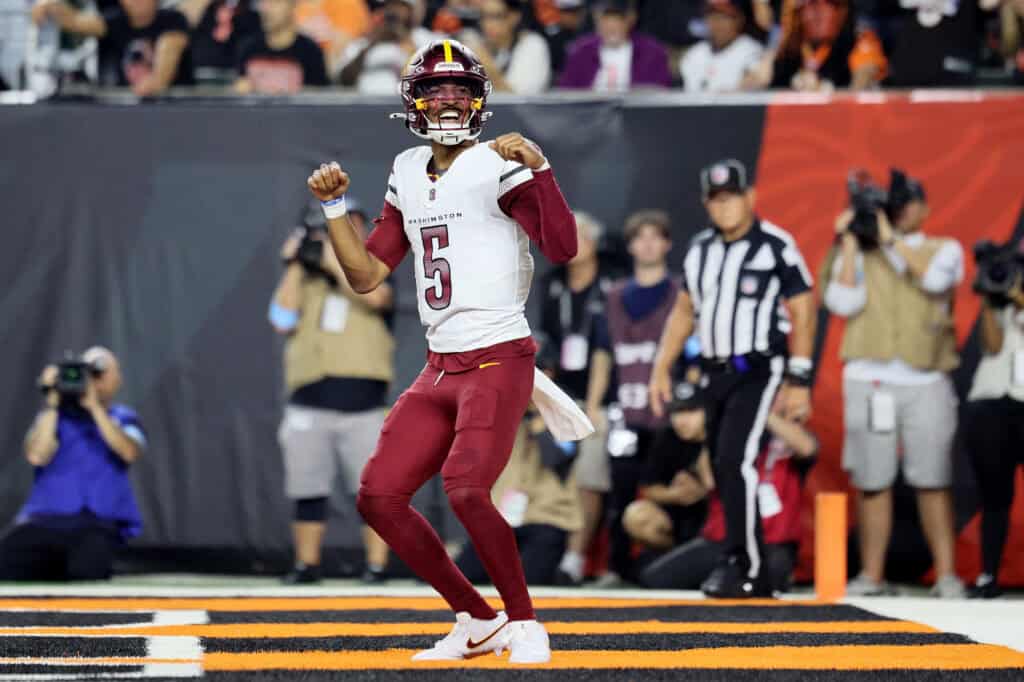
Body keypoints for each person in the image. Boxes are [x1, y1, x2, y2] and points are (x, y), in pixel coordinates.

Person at [305, 39, 585, 663]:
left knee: (465, 488)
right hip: (440, 364)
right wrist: (332, 209)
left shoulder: (498, 163)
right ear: (415, 103)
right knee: (378, 495)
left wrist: (541, 170)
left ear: (480, 102)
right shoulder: (406, 168)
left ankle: (526, 621)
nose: (449, 103)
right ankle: (476, 618)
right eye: (437, 93)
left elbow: (563, 249)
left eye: (461, 93)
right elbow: (367, 274)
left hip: (498, 354)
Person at [648, 158, 816, 598]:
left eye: (732, 198)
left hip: (759, 366)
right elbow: (685, 309)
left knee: (734, 460)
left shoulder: (776, 245)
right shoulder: (701, 248)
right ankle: (737, 554)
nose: (725, 207)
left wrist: (799, 376)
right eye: (717, 200)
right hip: (715, 370)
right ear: (707, 204)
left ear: (750, 197)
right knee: (724, 465)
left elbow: (802, 308)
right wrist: (661, 366)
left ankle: (749, 563)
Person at [822, 169, 965, 598]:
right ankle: (871, 575)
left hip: (926, 378)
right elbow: (841, 302)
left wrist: (888, 240)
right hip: (870, 377)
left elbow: (935, 280)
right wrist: (849, 243)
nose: (902, 210)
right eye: (895, 204)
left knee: (934, 478)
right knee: (873, 479)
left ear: (925, 208)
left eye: (909, 203)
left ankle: (947, 576)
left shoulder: (945, 249)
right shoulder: (861, 252)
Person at [268, 201, 393, 585]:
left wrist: (332, 259)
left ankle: (377, 566)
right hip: (309, 400)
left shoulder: (378, 264)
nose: (334, 234)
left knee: (374, 491)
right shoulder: (305, 277)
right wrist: (293, 265)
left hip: (365, 403)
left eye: (345, 224)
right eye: (326, 228)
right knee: (308, 488)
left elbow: (376, 296)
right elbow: (281, 320)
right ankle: (307, 565)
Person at [636, 385, 818, 592]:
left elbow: (808, 447)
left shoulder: (783, 441)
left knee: (769, 579)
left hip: (772, 542)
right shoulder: (727, 435)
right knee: (656, 579)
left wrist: (758, 410)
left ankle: (725, 578)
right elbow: (709, 479)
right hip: (722, 541)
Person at [586, 209, 677, 585]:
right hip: (625, 412)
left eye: (656, 236)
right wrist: (593, 405)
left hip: (668, 413)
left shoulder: (680, 292)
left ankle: (672, 562)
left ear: (667, 244)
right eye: (641, 237)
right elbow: (603, 354)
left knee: (671, 487)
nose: (648, 244)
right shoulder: (616, 295)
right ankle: (617, 566)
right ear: (631, 246)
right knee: (621, 488)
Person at [0, 347, 145, 581]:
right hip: (44, 520)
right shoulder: (52, 418)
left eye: (99, 373)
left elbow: (128, 451)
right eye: (86, 373)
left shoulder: (124, 418)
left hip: (96, 524)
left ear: (117, 380)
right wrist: (52, 402)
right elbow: (36, 455)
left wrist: (95, 408)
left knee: (87, 571)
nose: (91, 381)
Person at [538, 211, 621, 586]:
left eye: (580, 236)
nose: (573, 244)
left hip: (604, 397)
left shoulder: (612, 283)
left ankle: (575, 555)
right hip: (561, 393)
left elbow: (609, 347)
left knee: (590, 465)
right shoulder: (552, 283)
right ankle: (536, 549)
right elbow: (544, 339)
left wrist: (594, 403)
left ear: (594, 242)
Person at [455, 411, 584, 586]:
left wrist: (540, 428)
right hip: (504, 515)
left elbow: (556, 458)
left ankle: (561, 572)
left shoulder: (565, 414)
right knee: (463, 573)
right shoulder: (503, 413)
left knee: (530, 580)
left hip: (547, 516)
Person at [963, 243, 1024, 598]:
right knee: (995, 497)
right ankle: (988, 575)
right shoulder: (999, 300)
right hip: (992, 403)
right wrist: (990, 295)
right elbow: (991, 346)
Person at [31, 0, 193, 95]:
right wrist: (49, 5)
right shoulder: (116, 21)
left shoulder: (174, 20)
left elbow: (170, 48)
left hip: (173, 107)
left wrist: (157, 80)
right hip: (126, 109)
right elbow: (76, 21)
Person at [770, 0, 887, 91]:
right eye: (811, 4)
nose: (819, 14)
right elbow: (761, 79)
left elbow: (864, 76)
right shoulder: (791, 44)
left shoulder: (858, 38)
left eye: (830, 4)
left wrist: (825, 92)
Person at [556, 0, 671, 91]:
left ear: (631, 19)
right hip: (588, 115)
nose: (611, 26)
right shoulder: (580, 52)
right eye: (605, 19)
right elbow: (566, 94)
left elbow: (659, 94)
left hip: (636, 116)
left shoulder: (653, 53)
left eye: (618, 19)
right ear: (596, 19)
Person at [337, 0, 435, 92]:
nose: (394, 11)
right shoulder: (365, 42)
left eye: (399, 6)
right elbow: (344, 79)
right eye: (390, 5)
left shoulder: (425, 39)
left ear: (411, 10)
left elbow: (434, 79)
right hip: (366, 104)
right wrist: (373, 44)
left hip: (408, 105)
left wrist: (408, 44)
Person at [235, 0, 328, 94]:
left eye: (276, 2)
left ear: (292, 6)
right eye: (264, 2)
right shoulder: (248, 47)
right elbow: (240, 85)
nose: (267, 9)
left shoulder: (310, 51)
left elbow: (318, 97)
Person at [460, 0, 551, 94]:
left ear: (514, 17)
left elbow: (519, 99)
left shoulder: (532, 45)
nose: (487, 24)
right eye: (483, 17)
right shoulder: (483, 45)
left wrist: (486, 65)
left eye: (495, 17)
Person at [680, 0, 765, 93]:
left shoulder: (751, 50)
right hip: (695, 106)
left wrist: (734, 92)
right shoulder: (694, 54)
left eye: (724, 17)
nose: (717, 24)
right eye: (712, 17)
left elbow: (758, 79)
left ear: (739, 19)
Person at [177, 0, 261, 84]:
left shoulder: (254, 16)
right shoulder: (200, 11)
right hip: (197, 77)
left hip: (237, 79)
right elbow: (182, 21)